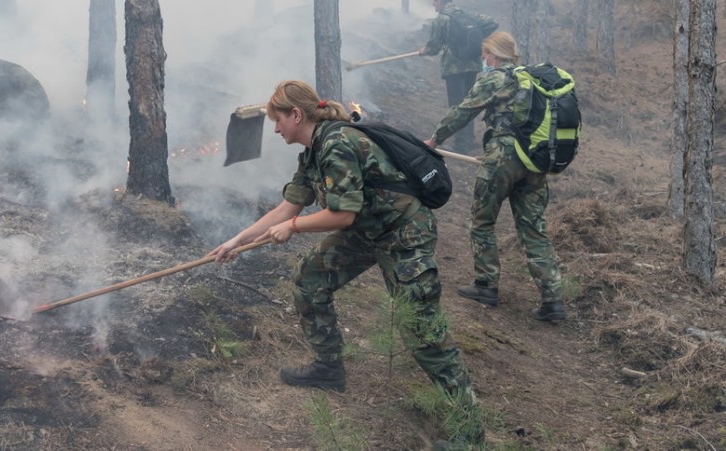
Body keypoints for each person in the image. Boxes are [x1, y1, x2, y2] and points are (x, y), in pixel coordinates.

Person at [209, 80, 485, 447]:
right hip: (369, 231)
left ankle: (470, 434)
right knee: (310, 278)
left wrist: (293, 228)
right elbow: (288, 206)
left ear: (296, 115)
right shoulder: (313, 151)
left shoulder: (337, 144)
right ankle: (328, 368)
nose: (275, 129)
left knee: (422, 330)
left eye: (278, 121)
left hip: (404, 235)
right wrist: (238, 241)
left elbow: (342, 215)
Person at [424, 31, 567, 322]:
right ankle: (553, 300)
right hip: (534, 161)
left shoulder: (495, 78)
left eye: (484, 54)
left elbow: (464, 111)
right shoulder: (532, 81)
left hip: (503, 158)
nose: (483, 59)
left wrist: (434, 140)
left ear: (493, 54)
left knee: (482, 221)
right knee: (534, 230)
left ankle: (486, 285)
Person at [419, 0, 489, 154]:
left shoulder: (441, 19)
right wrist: (476, 43)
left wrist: (424, 50)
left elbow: (434, 47)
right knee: (469, 102)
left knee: (457, 105)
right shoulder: (467, 14)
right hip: (472, 64)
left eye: (435, 1)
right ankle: (468, 139)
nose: (433, 5)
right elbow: (491, 23)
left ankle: (461, 144)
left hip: (454, 67)